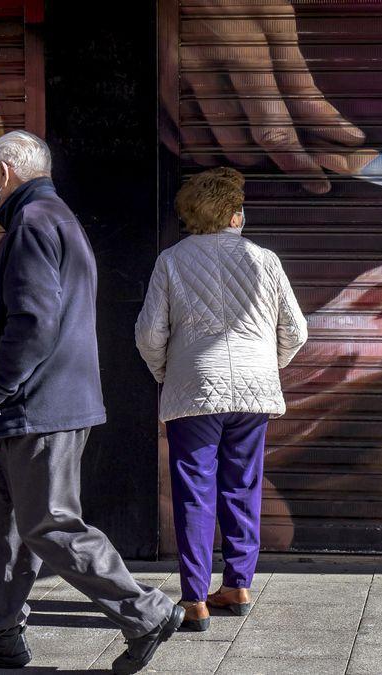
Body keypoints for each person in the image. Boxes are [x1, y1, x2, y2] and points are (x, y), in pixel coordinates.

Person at [0, 130, 183, 673]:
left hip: (35, 406)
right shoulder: (56, 217)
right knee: (5, 527)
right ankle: (0, 633)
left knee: (50, 523)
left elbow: (33, 320)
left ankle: (144, 611)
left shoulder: (32, 222)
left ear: (3, 173)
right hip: (39, 405)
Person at [135, 167, 308, 631]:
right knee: (243, 486)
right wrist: (268, 367)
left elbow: (150, 334)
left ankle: (195, 600)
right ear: (235, 215)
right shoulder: (265, 259)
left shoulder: (171, 261)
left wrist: (166, 374)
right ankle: (239, 583)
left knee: (194, 490)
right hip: (253, 392)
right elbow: (296, 330)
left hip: (194, 389)